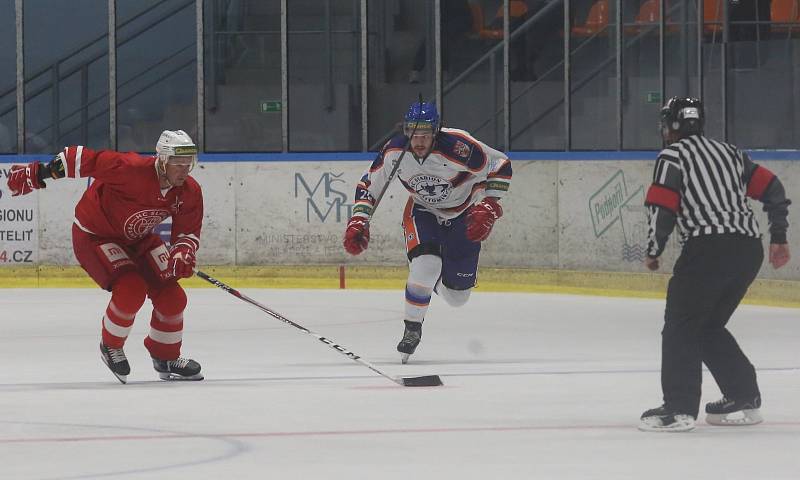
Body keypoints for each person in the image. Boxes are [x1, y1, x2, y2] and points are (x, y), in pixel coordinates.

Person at [639, 97, 791, 432]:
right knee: (706, 327)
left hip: (708, 248)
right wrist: (778, 235)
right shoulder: (731, 153)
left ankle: (679, 408)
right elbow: (773, 188)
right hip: (747, 249)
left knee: (680, 325)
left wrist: (654, 248)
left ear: (671, 126)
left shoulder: (672, 155)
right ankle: (743, 396)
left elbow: (663, 203)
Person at [6, 130, 206, 384]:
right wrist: (39, 173)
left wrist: (183, 252)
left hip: (139, 238)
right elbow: (80, 158)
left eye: (189, 163)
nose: (185, 169)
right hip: (95, 235)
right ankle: (111, 346)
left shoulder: (189, 190)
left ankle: (165, 356)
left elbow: (187, 231)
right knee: (131, 289)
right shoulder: (131, 169)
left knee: (173, 296)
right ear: (163, 160)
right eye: (178, 163)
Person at [343, 102, 512, 363]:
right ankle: (412, 329)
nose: (418, 141)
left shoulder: (459, 147)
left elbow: (500, 163)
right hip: (423, 212)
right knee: (426, 264)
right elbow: (369, 184)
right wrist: (358, 219)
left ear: (436, 132)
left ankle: (431, 280)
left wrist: (490, 204)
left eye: (424, 135)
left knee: (458, 298)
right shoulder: (395, 151)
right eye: (414, 134)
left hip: (464, 213)